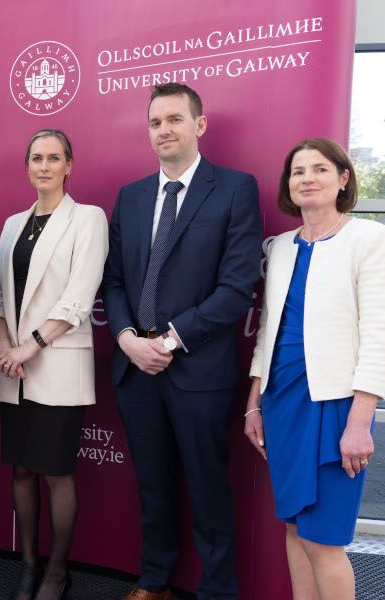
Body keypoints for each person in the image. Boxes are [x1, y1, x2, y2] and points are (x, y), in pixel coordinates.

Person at [102, 83, 262, 600]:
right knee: (153, 486)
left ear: (200, 124)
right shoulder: (130, 197)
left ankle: (217, 591)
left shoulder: (235, 189)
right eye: (155, 122)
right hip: (136, 368)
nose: (163, 130)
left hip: (197, 370)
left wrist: (168, 341)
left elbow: (238, 288)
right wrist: (127, 338)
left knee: (208, 490)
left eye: (174, 119)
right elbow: (117, 281)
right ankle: (155, 582)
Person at [244, 138, 385, 600]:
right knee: (295, 528)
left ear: (343, 178)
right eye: (297, 171)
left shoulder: (369, 239)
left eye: (320, 169)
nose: (307, 178)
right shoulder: (280, 247)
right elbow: (267, 332)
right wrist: (253, 405)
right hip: (282, 402)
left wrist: (361, 422)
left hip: (336, 406)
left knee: (324, 540)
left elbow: (378, 336)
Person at [0, 129, 108, 600]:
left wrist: (28, 346)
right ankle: (29, 566)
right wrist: (3, 345)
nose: (44, 166)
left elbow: (79, 299)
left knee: (56, 472)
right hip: (12, 366)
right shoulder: (14, 224)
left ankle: (58, 571)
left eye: (53, 158)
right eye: (36, 158)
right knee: (20, 470)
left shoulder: (88, 219)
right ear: (27, 166)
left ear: (69, 165)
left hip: (55, 363)